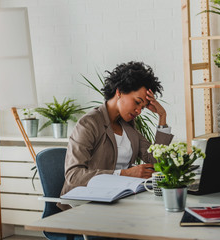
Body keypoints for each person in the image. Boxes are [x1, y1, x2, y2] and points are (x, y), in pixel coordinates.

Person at [58, 61, 174, 210]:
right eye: (137, 102)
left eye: (143, 107)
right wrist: (124, 174)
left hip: (119, 200)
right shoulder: (89, 123)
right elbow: (74, 176)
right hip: (87, 203)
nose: (139, 111)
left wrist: (162, 117)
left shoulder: (128, 126)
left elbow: (156, 161)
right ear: (119, 92)